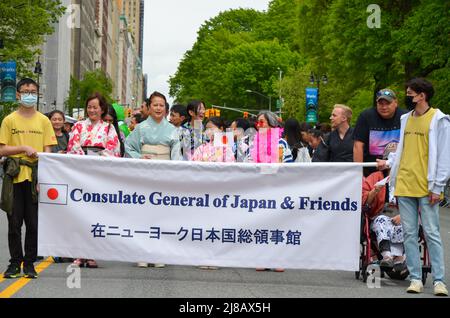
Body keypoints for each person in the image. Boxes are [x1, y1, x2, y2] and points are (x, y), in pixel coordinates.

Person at [378, 78, 449, 296]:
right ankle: (415, 278)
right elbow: (403, 150)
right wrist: (390, 164)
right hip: (405, 184)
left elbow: (445, 156)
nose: (408, 97)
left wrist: (438, 186)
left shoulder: (439, 120)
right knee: (409, 233)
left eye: (411, 93)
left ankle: (439, 281)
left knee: (432, 233)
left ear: (422, 95)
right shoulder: (405, 119)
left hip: (427, 186)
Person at [0, 78, 57, 279]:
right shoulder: (9, 120)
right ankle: (15, 263)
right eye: (25, 91)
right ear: (17, 94)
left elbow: (48, 153)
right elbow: (2, 149)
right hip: (14, 176)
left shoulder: (43, 120)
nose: (29, 94)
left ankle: (30, 263)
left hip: (35, 178)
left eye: (33, 91)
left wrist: (44, 179)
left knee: (33, 223)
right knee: (14, 223)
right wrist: (23, 148)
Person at [125, 91, 182, 268]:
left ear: (166, 109)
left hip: (165, 173)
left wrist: (173, 170)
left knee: (162, 214)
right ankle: (141, 252)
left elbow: (176, 154)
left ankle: (159, 252)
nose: (158, 108)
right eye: (155, 105)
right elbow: (129, 146)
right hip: (144, 173)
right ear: (149, 108)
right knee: (143, 213)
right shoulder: (141, 128)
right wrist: (139, 158)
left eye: (162, 105)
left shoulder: (172, 130)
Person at [68, 93, 121, 268]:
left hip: (100, 174)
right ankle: (78, 252)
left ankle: (92, 253)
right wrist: (84, 155)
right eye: (89, 107)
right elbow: (72, 147)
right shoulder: (77, 126)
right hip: (80, 173)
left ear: (102, 109)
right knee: (79, 214)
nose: (92, 110)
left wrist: (98, 155)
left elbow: (114, 150)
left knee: (96, 215)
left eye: (95, 107)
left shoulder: (108, 128)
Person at [362, 144, 407, 275]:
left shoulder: (405, 178)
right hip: (379, 214)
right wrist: (373, 192)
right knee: (382, 221)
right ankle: (387, 256)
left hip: (401, 215)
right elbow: (364, 202)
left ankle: (399, 258)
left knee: (405, 224)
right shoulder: (375, 177)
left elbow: (416, 203)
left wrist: (403, 216)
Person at [354, 88, 407, 176]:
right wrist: (358, 173)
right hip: (371, 170)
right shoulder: (366, 116)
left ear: (395, 103)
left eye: (388, 103)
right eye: (380, 103)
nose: (384, 107)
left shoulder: (405, 116)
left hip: (399, 169)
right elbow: (358, 145)